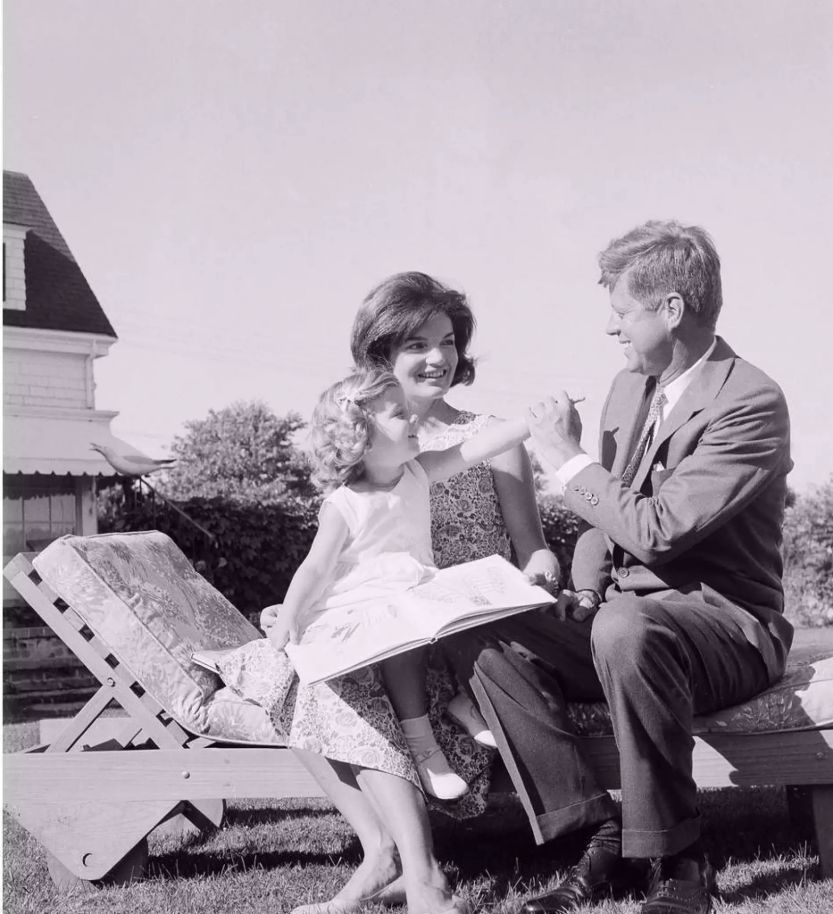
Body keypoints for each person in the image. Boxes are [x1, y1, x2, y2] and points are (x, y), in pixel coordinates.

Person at [443, 221, 793, 914]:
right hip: (621, 621)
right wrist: (581, 588)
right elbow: (606, 519)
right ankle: (599, 831)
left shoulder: (749, 402)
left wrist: (564, 458)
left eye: (621, 311)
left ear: (671, 309)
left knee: (626, 627)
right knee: (475, 622)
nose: (611, 329)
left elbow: (657, 531)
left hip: (727, 626)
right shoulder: (629, 388)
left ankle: (675, 858)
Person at [251, 272, 559, 914]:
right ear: (380, 359)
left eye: (448, 340)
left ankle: (413, 872)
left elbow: (531, 543)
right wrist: (295, 610)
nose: (440, 357)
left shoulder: (455, 445)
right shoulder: (367, 454)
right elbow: (332, 565)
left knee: (338, 688)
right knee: (284, 674)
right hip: (380, 624)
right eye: (417, 343)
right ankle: (384, 855)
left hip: (464, 633)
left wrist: (541, 568)